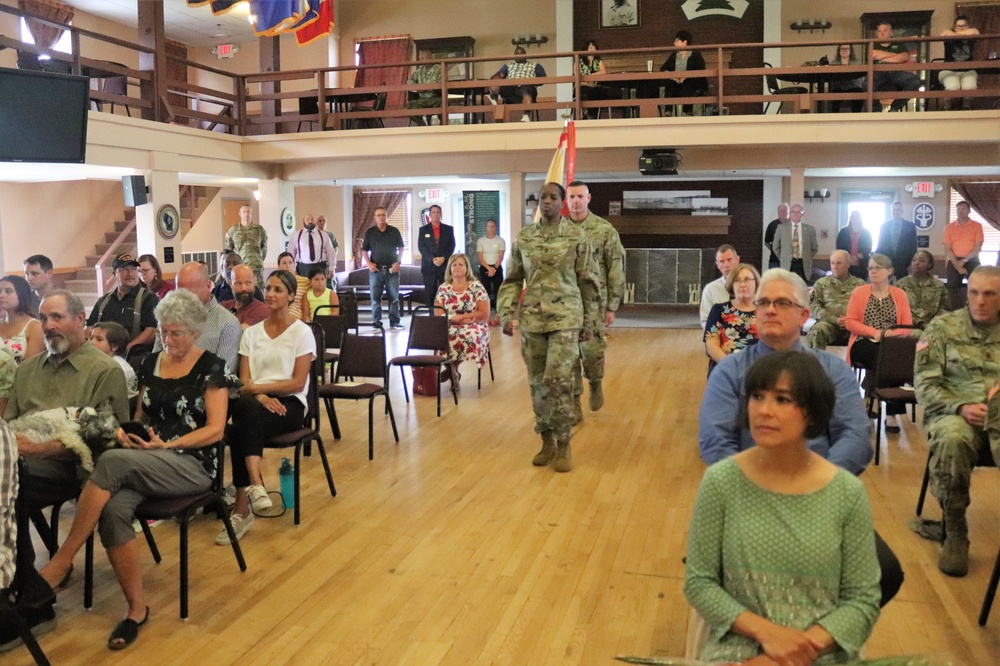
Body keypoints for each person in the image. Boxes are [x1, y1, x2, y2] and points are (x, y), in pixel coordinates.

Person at [37, 289, 234, 650]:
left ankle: (62, 560)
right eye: (163, 331)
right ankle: (135, 610)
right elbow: (140, 417)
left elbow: (216, 429)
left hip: (193, 463)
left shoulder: (212, 367)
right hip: (147, 458)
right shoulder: (150, 363)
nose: (168, 339)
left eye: (176, 333)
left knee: (111, 462)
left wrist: (168, 444)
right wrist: (132, 437)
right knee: (113, 509)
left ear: (194, 332)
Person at [699, 269, 903, 608]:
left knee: (885, 572)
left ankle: (819, 633)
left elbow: (855, 436)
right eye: (763, 302)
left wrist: (814, 487)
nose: (768, 310)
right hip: (749, 498)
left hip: (820, 495)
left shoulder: (831, 370)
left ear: (804, 315)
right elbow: (715, 443)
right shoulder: (731, 371)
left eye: (781, 302)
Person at [686, 350, 881, 665]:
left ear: (813, 412)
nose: (764, 411)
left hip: (818, 651)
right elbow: (699, 582)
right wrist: (766, 635)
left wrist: (797, 651)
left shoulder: (846, 492)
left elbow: (863, 600)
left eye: (782, 400)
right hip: (739, 646)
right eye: (758, 396)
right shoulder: (721, 482)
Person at [4, 290, 130, 613]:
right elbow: (9, 427)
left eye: (57, 317)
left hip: (75, 469)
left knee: (12, 485)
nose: (48, 326)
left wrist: (36, 449)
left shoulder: (105, 371)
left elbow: (106, 440)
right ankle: (12, 581)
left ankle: (30, 598)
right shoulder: (27, 371)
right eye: (44, 318)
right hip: (22, 461)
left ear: (80, 320)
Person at [497, 183, 598, 473]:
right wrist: (505, 312)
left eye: (554, 197)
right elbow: (513, 279)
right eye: (544, 198)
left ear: (563, 202)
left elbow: (588, 283)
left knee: (558, 380)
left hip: (566, 319)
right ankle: (546, 440)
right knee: (537, 383)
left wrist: (591, 322)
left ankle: (564, 442)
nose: (548, 202)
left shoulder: (576, 237)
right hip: (532, 321)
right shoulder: (525, 238)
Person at [913, 266, 1000, 577]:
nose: (980, 300)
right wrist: (960, 406)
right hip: (953, 414)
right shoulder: (942, 328)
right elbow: (924, 385)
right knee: (952, 438)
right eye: (974, 292)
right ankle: (955, 529)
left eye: (989, 294)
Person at [221, 270, 315, 545]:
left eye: (278, 290)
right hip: (256, 402)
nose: (271, 294)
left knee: (241, 422)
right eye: (269, 289)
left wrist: (258, 391)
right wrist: (260, 396)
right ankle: (256, 485)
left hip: (290, 406)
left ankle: (243, 506)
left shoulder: (302, 332)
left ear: (290, 296)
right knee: (246, 412)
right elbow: (244, 380)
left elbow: (298, 383)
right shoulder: (251, 334)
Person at [566, 181, 625, 415]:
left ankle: (595, 381)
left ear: (588, 198)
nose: (576, 201)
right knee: (568, 355)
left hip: (593, 304)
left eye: (580, 196)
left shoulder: (604, 230)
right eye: (572, 197)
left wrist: (612, 305)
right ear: (566, 200)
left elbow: (615, 268)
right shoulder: (559, 231)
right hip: (565, 304)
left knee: (591, 351)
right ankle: (574, 404)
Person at [844, 253, 914, 433]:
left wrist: (889, 335)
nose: (873, 271)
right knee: (884, 357)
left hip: (891, 344)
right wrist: (875, 332)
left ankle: (872, 398)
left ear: (889, 271)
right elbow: (851, 322)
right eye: (870, 268)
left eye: (877, 268)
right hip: (863, 342)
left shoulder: (899, 294)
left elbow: (906, 326)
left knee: (888, 356)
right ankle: (891, 413)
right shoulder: (859, 292)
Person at [153, 262, 242, 374]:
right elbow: (155, 362)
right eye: (179, 292)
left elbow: (224, 375)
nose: (183, 299)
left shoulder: (228, 323)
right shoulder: (169, 318)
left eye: (190, 293)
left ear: (208, 286)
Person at [434, 254, 491, 390]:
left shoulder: (476, 286)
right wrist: (455, 320)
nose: (457, 267)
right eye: (454, 265)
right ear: (450, 268)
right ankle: (453, 371)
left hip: (474, 323)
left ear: (467, 268)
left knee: (470, 335)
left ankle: (452, 369)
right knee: (440, 335)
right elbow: (438, 313)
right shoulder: (444, 288)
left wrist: (464, 318)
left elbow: (484, 313)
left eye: (461, 264)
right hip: (449, 323)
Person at [86, 253, 159, 355]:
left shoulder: (149, 299)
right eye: (124, 269)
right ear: (114, 275)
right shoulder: (104, 301)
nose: (130, 274)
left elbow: (151, 331)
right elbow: (90, 328)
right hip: (103, 356)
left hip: (135, 357)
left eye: (134, 269)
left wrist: (126, 350)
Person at [703, 263, 759, 373]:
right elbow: (711, 344)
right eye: (737, 280)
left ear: (756, 283)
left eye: (747, 279)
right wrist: (730, 366)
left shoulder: (765, 311)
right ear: (731, 285)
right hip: (726, 367)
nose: (742, 284)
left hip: (758, 369)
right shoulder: (719, 310)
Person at [807, 250, 865, 350]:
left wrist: (851, 320)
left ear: (848, 264)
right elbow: (813, 307)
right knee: (817, 331)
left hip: (854, 326)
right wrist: (835, 319)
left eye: (839, 263)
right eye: (832, 263)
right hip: (829, 324)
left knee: (869, 335)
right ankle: (816, 364)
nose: (835, 267)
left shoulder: (860, 284)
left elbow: (867, 307)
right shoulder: (822, 283)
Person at [362, 206, 405, 331]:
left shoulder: (394, 231)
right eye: (379, 215)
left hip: (392, 269)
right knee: (375, 298)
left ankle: (395, 322)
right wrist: (369, 263)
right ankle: (376, 323)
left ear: (386, 217)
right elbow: (364, 250)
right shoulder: (370, 232)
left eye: (383, 215)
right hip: (376, 270)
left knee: (394, 297)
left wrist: (398, 262)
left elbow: (401, 248)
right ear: (375, 218)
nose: (381, 217)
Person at [871, 22, 921, 112]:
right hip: (878, 73)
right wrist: (896, 56)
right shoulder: (873, 44)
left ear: (891, 32)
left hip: (896, 73)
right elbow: (874, 55)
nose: (882, 33)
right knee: (866, 84)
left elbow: (905, 57)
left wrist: (882, 58)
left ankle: (895, 108)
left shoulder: (898, 44)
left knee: (915, 81)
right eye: (879, 31)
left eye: (885, 30)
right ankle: (876, 111)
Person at [942, 200, 983, 309]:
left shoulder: (977, 226)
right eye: (958, 209)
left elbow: (977, 247)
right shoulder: (949, 227)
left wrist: (963, 262)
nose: (960, 211)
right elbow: (948, 248)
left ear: (969, 211)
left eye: (963, 209)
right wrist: (957, 264)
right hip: (954, 260)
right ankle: (955, 311)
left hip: (971, 260)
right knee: (951, 287)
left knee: (977, 286)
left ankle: (974, 309)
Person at [491, 46, 547, 122]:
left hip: (526, 88)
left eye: (521, 54)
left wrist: (530, 82)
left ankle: (526, 116)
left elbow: (542, 79)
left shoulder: (535, 65)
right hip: (510, 89)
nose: (519, 56)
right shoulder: (508, 65)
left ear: (525, 55)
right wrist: (496, 78)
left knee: (526, 89)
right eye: (517, 54)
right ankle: (494, 99)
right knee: (496, 79)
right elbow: (499, 75)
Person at [897, 250, 950, 328]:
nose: (916, 263)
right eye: (914, 260)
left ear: (929, 265)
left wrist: (934, 323)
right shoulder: (901, 284)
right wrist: (920, 323)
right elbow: (898, 310)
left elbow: (945, 309)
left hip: (934, 327)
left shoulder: (938, 285)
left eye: (921, 261)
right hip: (908, 326)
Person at [658, 30, 707, 115]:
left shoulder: (695, 54)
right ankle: (668, 111)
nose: (674, 43)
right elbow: (663, 68)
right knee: (670, 84)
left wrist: (686, 76)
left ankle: (687, 111)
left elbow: (700, 68)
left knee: (688, 83)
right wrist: (673, 77)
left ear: (685, 42)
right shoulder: (674, 55)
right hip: (676, 83)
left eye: (677, 41)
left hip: (691, 83)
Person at [418, 204, 456, 309]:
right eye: (433, 212)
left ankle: (446, 316)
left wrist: (443, 258)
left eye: (438, 212)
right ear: (430, 215)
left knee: (446, 293)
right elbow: (421, 247)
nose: (435, 214)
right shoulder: (423, 230)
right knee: (430, 294)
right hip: (429, 267)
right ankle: (431, 318)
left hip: (444, 266)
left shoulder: (448, 229)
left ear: (441, 214)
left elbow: (451, 246)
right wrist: (433, 259)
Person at [0, 275, 44, 363]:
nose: (1, 295)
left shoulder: (35, 327)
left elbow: (29, 368)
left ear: (21, 294)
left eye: (8, 291)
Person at [939, 16, 980, 110]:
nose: (961, 28)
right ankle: (947, 107)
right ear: (954, 27)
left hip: (967, 70)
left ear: (969, 26)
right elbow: (945, 34)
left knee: (969, 88)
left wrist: (958, 34)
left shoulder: (973, 32)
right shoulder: (948, 32)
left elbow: (975, 32)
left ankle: (966, 107)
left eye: (964, 26)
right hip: (949, 70)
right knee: (953, 88)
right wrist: (963, 34)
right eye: (958, 26)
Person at [91, 321, 138, 401]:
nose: (91, 342)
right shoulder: (94, 361)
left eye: (99, 339)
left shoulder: (120, 369)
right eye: (91, 338)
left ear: (114, 346)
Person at [772, 203, 818, 283]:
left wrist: (807, 257)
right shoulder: (781, 228)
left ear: (802, 214)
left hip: (803, 264)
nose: (796, 214)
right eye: (793, 212)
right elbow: (775, 246)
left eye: (798, 212)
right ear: (790, 214)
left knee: (802, 288)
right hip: (787, 264)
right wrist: (783, 258)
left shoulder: (810, 229)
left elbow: (814, 248)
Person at [225, 204, 268, 288]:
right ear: (240, 214)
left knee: (258, 294)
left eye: (248, 211)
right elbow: (229, 251)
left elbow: (264, 248)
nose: (246, 214)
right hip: (240, 267)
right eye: (244, 212)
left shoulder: (259, 230)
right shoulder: (233, 230)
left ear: (251, 214)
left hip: (256, 268)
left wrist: (258, 259)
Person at [700, 245, 740, 327]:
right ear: (717, 265)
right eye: (722, 261)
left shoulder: (752, 286)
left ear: (737, 260)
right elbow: (706, 320)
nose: (726, 265)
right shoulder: (710, 290)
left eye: (729, 260)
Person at [877, 202, 918, 282]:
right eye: (894, 210)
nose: (896, 212)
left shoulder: (910, 226)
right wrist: (879, 262)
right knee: (886, 286)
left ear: (902, 211)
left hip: (903, 262)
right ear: (891, 211)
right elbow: (880, 245)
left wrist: (911, 263)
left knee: (902, 287)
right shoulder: (884, 226)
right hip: (887, 262)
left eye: (898, 210)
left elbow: (913, 246)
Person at [220, 264, 270, 329]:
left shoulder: (261, 310)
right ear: (230, 284)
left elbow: (237, 335)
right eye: (238, 283)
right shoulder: (224, 306)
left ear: (255, 281)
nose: (243, 288)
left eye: (248, 283)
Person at [289, 213, 337, 280]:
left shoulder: (324, 235)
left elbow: (331, 253)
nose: (310, 221)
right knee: (304, 289)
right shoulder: (296, 235)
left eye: (312, 219)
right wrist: (293, 270)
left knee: (320, 289)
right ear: (303, 222)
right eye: (307, 219)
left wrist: (332, 268)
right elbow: (290, 254)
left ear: (315, 222)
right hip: (302, 269)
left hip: (320, 267)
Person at [476, 219, 506, 324]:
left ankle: (497, 316)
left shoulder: (501, 240)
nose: (491, 228)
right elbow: (480, 257)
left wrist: (494, 269)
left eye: (493, 226)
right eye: (489, 226)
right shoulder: (481, 241)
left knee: (498, 292)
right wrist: (489, 269)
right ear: (486, 227)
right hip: (485, 268)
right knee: (485, 293)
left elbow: (501, 256)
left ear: (496, 227)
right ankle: (487, 317)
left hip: (497, 268)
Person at [405, 49, 442, 125]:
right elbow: (409, 81)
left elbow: (439, 83)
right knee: (408, 107)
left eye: (423, 58)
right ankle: (423, 126)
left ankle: (443, 128)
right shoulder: (420, 70)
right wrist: (417, 88)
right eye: (420, 59)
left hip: (436, 98)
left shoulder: (438, 68)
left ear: (430, 58)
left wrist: (426, 88)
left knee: (444, 106)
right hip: (423, 100)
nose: (421, 61)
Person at [577, 40, 613, 119]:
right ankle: (589, 114)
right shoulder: (579, 61)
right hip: (583, 85)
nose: (593, 49)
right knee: (589, 90)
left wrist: (592, 75)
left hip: (595, 85)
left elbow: (603, 72)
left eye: (594, 47)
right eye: (590, 47)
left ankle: (592, 115)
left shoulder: (598, 61)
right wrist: (588, 82)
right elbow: (577, 76)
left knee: (599, 91)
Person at [835, 210, 873, 279]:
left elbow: (868, 248)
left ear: (860, 218)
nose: (854, 218)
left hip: (861, 263)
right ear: (850, 218)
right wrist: (849, 258)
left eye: (856, 216)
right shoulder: (843, 232)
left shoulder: (866, 233)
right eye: (853, 216)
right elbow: (839, 246)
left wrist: (856, 257)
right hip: (846, 262)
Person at [829, 44, 865, 112]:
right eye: (842, 49)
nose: (844, 50)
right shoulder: (833, 63)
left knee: (859, 92)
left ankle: (857, 116)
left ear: (850, 51)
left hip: (853, 86)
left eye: (847, 49)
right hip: (838, 87)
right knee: (834, 94)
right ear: (839, 51)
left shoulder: (856, 63)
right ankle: (834, 117)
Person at [277, 252, 310, 322]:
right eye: (284, 263)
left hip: (298, 318)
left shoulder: (305, 281)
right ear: (278, 266)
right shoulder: (276, 283)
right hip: (279, 317)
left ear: (294, 265)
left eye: (290, 262)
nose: (287, 266)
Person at [763, 204, 787, 270]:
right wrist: (774, 250)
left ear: (788, 212)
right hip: (774, 261)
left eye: (784, 210)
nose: (782, 212)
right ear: (778, 212)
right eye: (780, 211)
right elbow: (766, 242)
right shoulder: (772, 225)